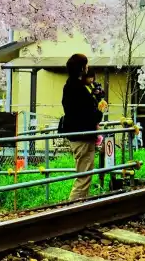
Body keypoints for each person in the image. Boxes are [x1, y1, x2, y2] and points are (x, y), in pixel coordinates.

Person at [61, 54, 106, 202]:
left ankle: (79, 207)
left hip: (77, 136)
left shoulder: (70, 86)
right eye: (86, 65)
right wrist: (99, 110)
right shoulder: (78, 90)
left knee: (84, 175)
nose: (87, 68)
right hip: (83, 137)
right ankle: (73, 210)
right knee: (84, 177)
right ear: (81, 68)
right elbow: (89, 115)